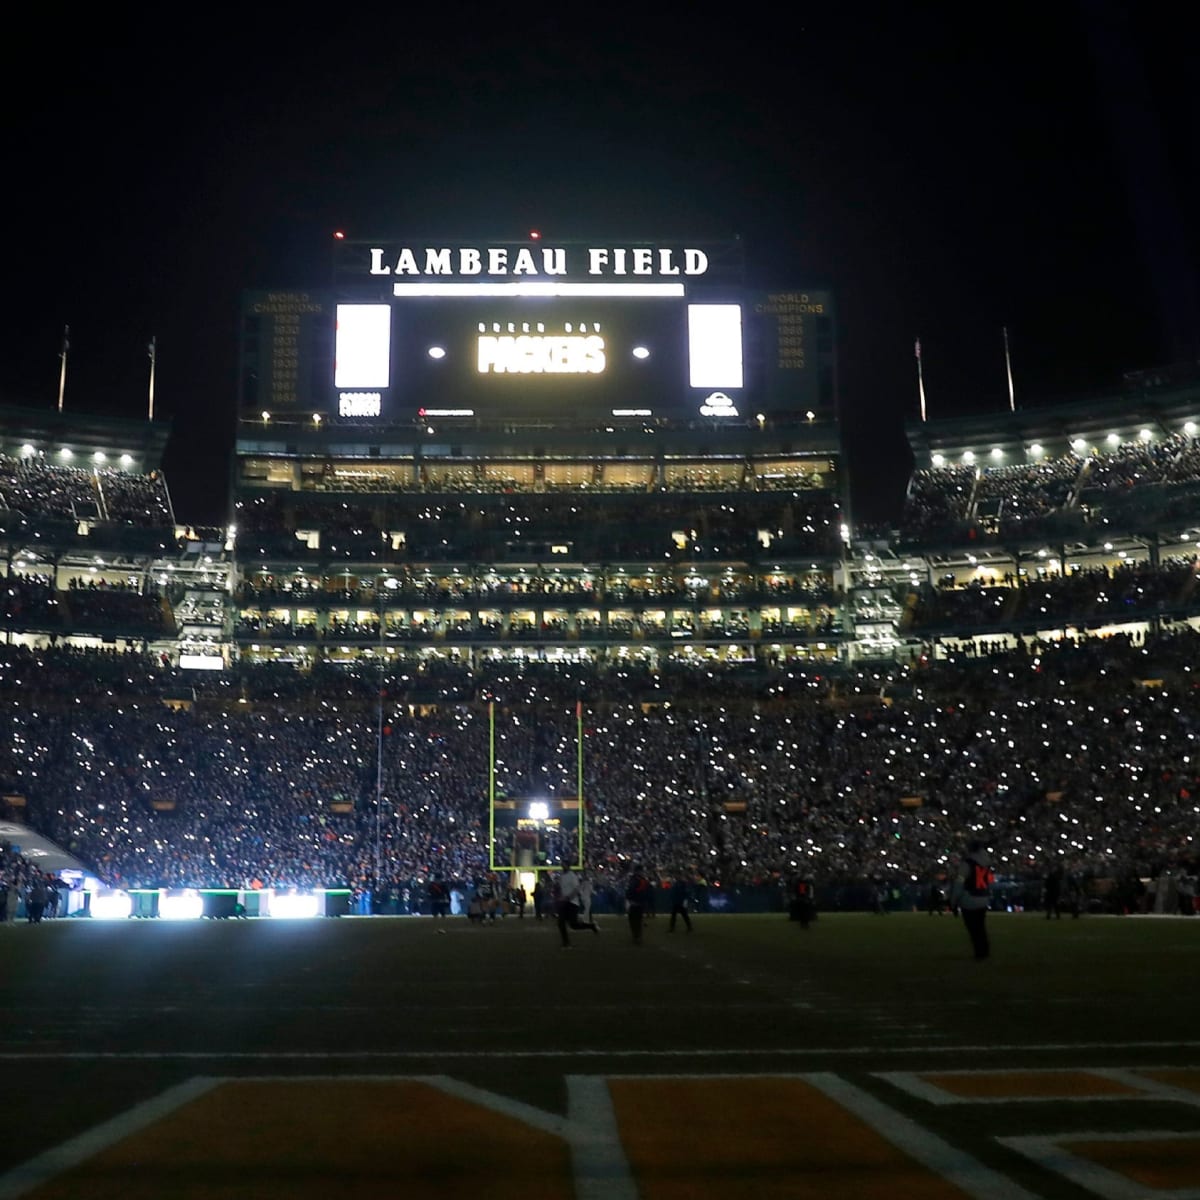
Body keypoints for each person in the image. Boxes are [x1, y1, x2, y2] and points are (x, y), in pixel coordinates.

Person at [950, 838, 994, 959]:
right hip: (983, 897)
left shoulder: (968, 863)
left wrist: (953, 902)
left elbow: (959, 884)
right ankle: (984, 950)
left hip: (969, 899)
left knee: (973, 929)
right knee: (981, 927)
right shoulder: (986, 862)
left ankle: (979, 952)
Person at [556, 863, 599, 948]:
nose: (563, 867)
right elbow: (563, 890)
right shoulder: (562, 876)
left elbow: (576, 889)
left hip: (572, 903)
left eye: (564, 865)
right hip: (565, 902)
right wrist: (561, 898)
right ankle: (566, 943)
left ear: (568, 866)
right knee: (561, 922)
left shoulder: (572, 876)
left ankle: (591, 926)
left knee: (574, 925)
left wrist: (568, 897)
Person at [625, 864, 653, 945]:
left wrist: (629, 898)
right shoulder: (643, 880)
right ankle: (638, 936)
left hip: (634, 902)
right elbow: (647, 890)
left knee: (633, 921)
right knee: (638, 921)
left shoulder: (634, 879)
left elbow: (631, 890)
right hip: (641, 902)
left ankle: (636, 936)